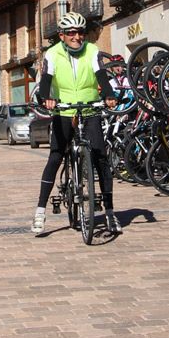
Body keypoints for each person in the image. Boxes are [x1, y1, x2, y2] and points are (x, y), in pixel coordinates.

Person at [32, 12, 118, 236]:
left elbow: (101, 75)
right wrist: (46, 98)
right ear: (62, 35)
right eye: (71, 33)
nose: (77, 37)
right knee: (55, 156)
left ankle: (109, 212)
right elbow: (46, 80)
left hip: (89, 109)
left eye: (80, 32)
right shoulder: (53, 53)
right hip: (63, 110)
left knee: (100, 157)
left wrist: (108, 95)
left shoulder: (92, 50)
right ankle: (40, 211)